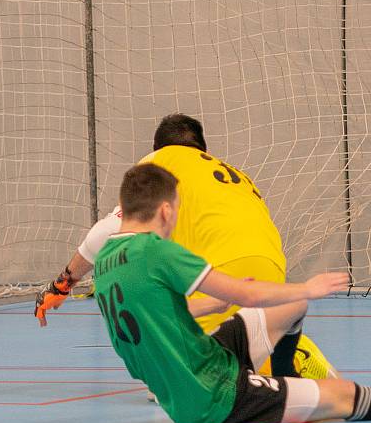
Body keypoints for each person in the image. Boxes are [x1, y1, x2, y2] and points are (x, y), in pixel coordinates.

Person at [92, 163, 371, 423]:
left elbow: (156, 316)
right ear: (165, 211)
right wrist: (308, 286)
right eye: (178, 210)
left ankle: (285, 369)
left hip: (198, 365)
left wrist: (211, 307)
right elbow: (245, 292)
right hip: (212, 397)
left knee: (291, 308)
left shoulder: (108, 263)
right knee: (342, 395)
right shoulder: (157, 251)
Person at [35, 114, 335, 379]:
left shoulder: (160, 164)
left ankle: (290, 358)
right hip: (271, 270)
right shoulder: (230, 174)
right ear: (203, 151)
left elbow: (105, 233)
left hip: (227, 273)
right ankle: (277, 341)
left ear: (158, 150)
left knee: (174, 379)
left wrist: (62, 285)